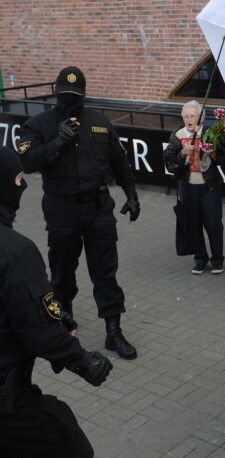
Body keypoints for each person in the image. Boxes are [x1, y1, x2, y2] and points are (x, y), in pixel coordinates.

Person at [17, 66, 139, 360]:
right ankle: (63, 323)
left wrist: (132, 194)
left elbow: (119, 160)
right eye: (63, 95)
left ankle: (113, 332)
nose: (68, 100)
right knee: (62, 273)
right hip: (62, 210)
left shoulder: (99, 122)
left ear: (83, 95)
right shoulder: (38, 125)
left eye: (74, 95)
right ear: (55, 93)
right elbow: (29, 161)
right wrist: (58, 141)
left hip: (98, 209)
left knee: (105, 272)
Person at [0, 146, 113, 457]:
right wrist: (83, 361)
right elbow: (38, 330)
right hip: (10, 408)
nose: (22, 186)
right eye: (19, 178)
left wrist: (55, 317)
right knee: (71, 445)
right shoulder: (15, 251)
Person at [163, 100, 224, 274]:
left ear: (202, 118)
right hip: (188, 188)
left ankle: (217, 260)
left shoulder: (211, 134)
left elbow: (224, 159)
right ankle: (200, 259)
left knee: (213, 224)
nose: (189, 119)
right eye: (186, 116)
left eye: (193, 116)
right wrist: (182, 154)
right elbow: (169, 163)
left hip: (209, 186)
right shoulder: (177, 136)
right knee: (193, 223)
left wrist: (213, 152)